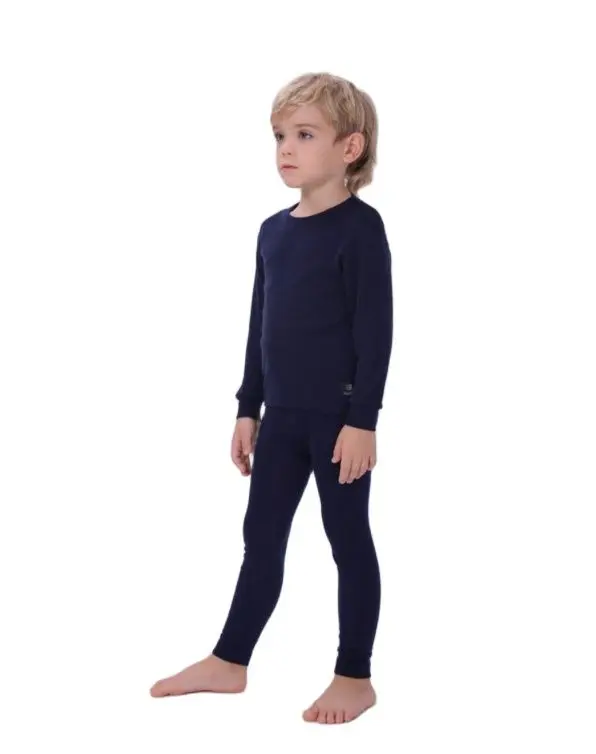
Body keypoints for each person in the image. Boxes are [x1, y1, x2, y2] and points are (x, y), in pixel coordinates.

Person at [150, 72, 394, 725]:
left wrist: (362, 420)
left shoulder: (360, 229)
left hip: (338, 421)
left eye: (305, 135)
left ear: (349, 147)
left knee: (348, 541)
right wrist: (247, 407)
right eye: (280, 135)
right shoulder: (272, 231)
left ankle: (355, 675)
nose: (286, 147)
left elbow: (375, 331)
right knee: (260, 539)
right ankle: (230, 660)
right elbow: (262, 324)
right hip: (281, 417)